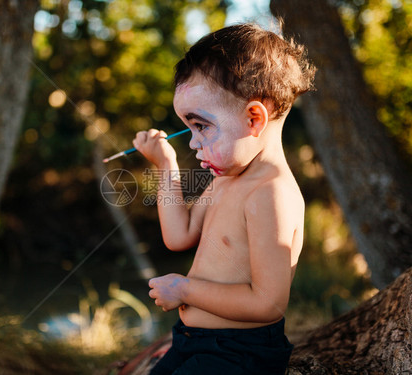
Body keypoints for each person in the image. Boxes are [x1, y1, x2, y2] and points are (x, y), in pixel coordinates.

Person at [131, 22, 316, 374]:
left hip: (237, 355)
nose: (192, 142)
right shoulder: (225, 180)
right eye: (188, 126)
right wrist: (165, 165)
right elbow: (178, 236)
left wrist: (184, 290)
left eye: (201, 125)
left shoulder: (270, 193)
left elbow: (267, 304)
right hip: (192, 340)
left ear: (253, 118)